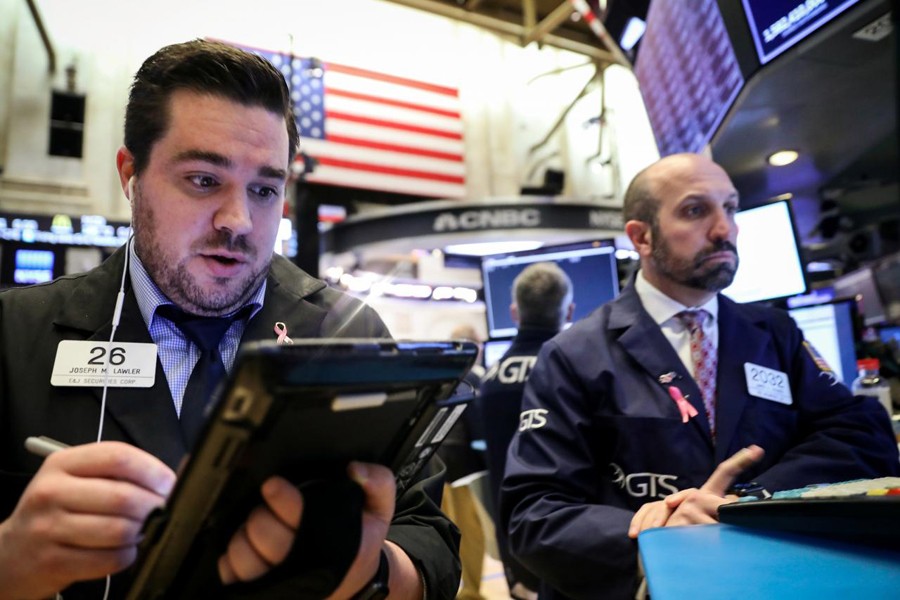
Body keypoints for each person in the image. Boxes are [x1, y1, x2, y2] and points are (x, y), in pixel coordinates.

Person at [0, 39, 459, 600]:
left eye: (265, 189)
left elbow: (432, 539)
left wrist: (376, 570)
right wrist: (11, 562)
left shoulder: (347, 332)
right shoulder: (14, 335)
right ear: (131, 173)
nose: (238, 220)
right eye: (203, 180)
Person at [499, 153, 900, 600]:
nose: (724, 228)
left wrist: (750, 502)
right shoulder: (574, 355)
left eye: (730, 207)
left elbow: (862, 436)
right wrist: (660, 532)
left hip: (769, 580)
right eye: (695, 210)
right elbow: (533, 515)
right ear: (642, 237)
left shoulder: (773, 332)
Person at [478, 262, 574, 600]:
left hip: (514, 550)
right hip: (571, 551)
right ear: (570, 310)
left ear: (514, 313)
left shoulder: (490, 380)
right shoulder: (573, 374)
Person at [437, 324, 487, 600]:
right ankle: (470, 592)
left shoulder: (444, 376)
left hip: (441, 464)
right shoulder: (475, 379)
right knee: (470, 533)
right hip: (467, 468)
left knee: (449, 531)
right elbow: (478, 427)